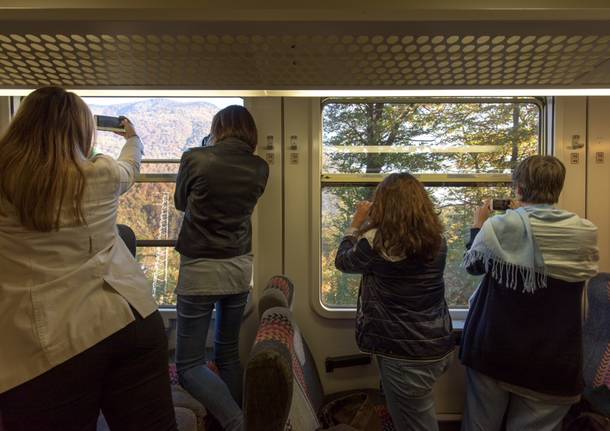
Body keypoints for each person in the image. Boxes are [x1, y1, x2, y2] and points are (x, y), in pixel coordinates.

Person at [0, 87, 177, 431]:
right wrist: (133, 137)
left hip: (48, 344)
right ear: (81, 132)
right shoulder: (102, 174)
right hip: (130, 319)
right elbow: (131, 166)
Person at [460, 155, 599, 431]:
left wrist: (479, 224)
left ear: (519, 189)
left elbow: (474, 266)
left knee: (481, 425)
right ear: (558, 189)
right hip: (554, 354)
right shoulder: (585, 232)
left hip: (495, 347)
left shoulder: (501, 227)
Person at [334, 173, 454, 431]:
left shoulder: (377, 243)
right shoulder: (438, 241)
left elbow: (343, 261)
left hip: (404, 356)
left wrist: (356, 224)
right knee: (407, 414)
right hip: (435, 344)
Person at [174, 105, 269, 431]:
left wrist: (204, 146)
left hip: (202, 269)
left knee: (188, 365)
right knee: (227, 354)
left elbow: (181, 202)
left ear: (219, 128)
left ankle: (236, 423)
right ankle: (236, 420)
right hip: (240, 268)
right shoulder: (260, 168)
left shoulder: (195, 157)